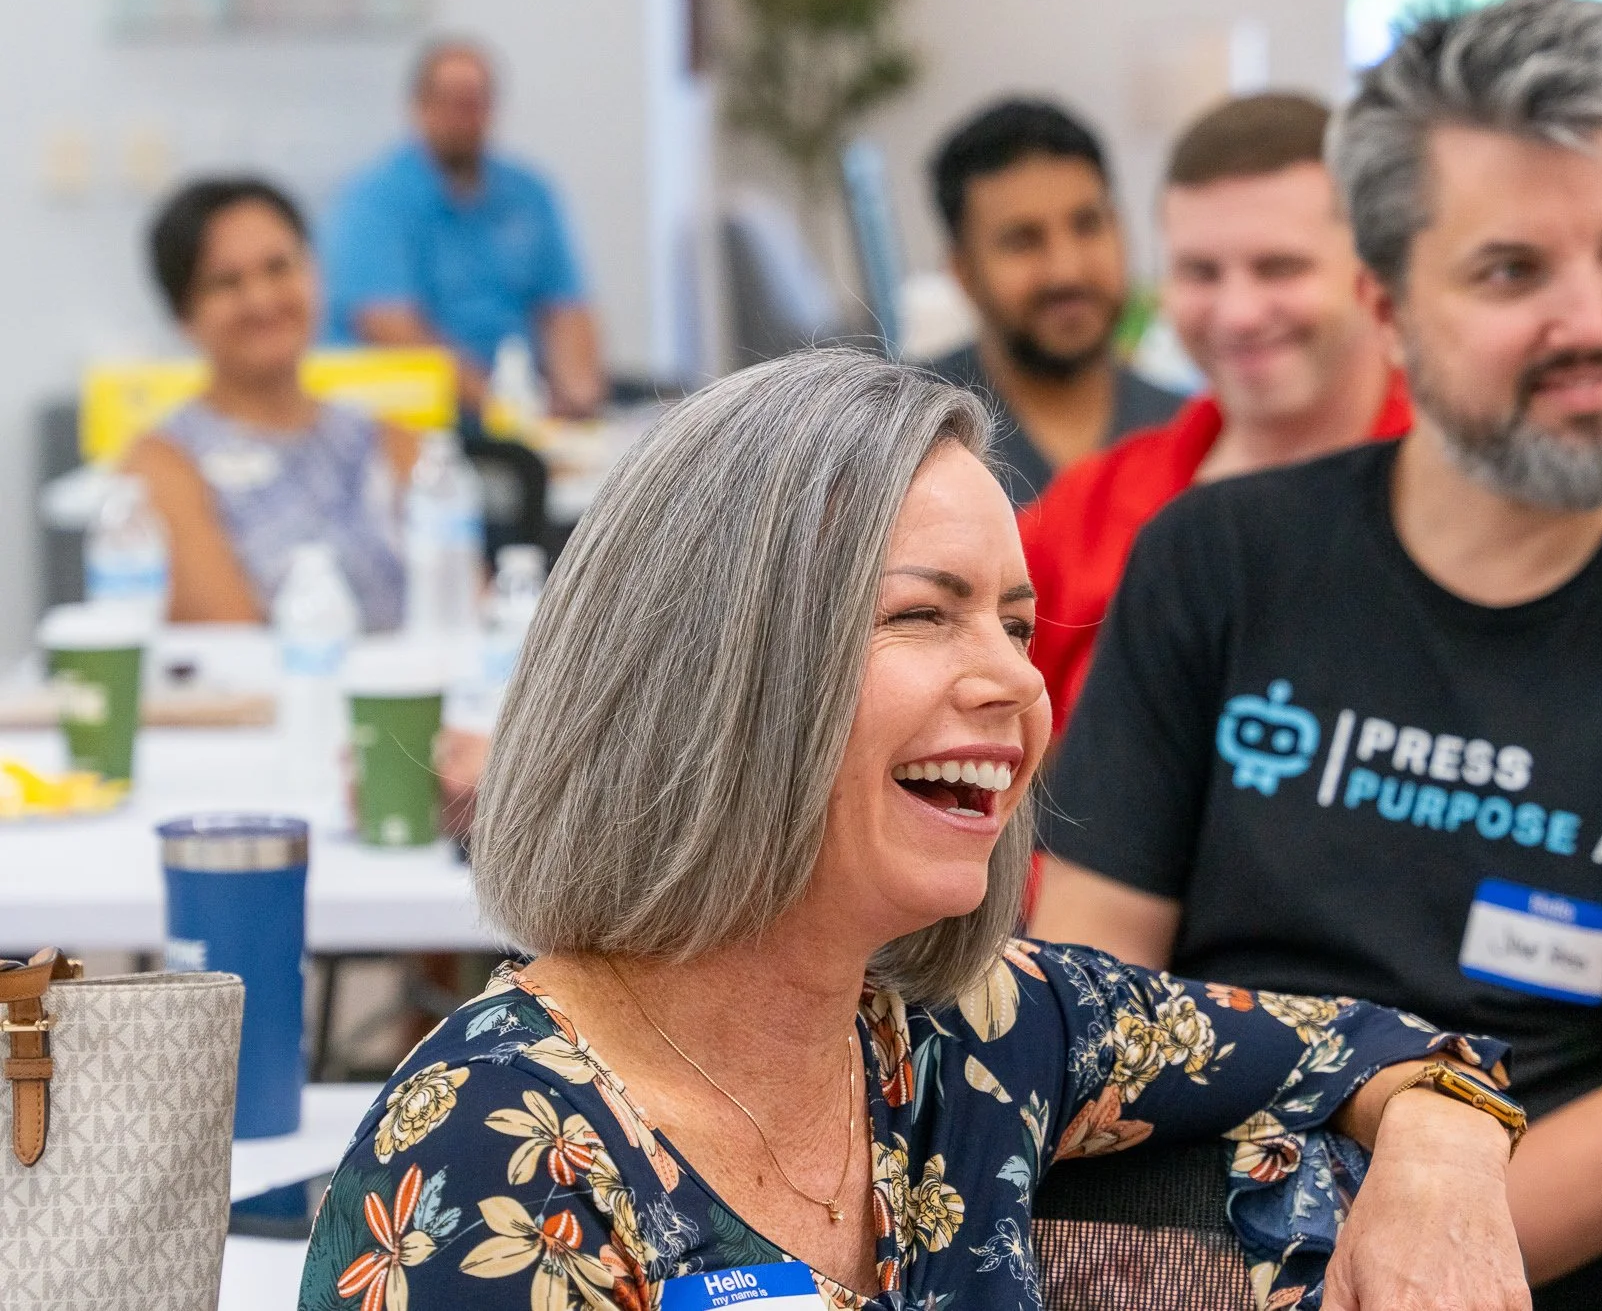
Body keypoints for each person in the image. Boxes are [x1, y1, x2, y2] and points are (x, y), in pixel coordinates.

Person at [299, 349, 1532, 1311]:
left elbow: (1376, 1046)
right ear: (718, 677)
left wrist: (1438, 1163)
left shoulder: (969, 1033)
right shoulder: (496, 1159)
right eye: (922, 617)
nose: (1013, 681)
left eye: (1012, 620)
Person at [1029, 0, 1602, 1310]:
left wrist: (1329, 1284)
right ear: (1387, 307)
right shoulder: (1217, 560)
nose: (1592, 319)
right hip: (1154, 1232)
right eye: (1512, 272)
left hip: (1491, 1258)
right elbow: (1089, 987)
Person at [1021, 92, 1411, 732]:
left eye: (1278, 267)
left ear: (1375, 271)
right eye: (1200, 272)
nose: (1237, 313)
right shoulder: (1089, 510)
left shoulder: (1467, 504)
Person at [125, 177, 412, 632]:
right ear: (183, 316)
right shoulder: (163, 467)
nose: (261, 299)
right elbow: (236, 649)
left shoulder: (392, 443)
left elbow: (470, 621)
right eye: (226, 282)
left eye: (278, 268)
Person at [320, 37, 605, 418]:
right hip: (423, 415)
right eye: (451, 102)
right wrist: (502, 408)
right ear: (419, 107)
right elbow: (392, 330)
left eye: (476, 103)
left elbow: (566, 306)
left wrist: (578, 394)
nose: (465, 117)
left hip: (526, 398)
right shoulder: (374, 201)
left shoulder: (530, 194)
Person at [923, 99, 1181, 503]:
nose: (1066, 271)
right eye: (1022, 241)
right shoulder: (909, 442)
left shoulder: (1190, 438)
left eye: (1087, 225)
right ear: (962, 272)